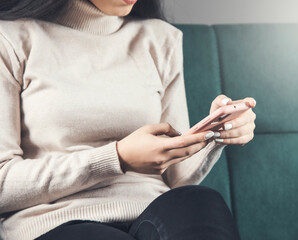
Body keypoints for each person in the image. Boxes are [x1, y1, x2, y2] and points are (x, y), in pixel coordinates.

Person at [0, 0, 256, 239]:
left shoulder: (160, 38)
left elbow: (176, 176)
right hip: (54, 222)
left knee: (201, 202)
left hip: (152, 211)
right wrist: (117, 157)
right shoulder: (11, 39)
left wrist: (216, 135)